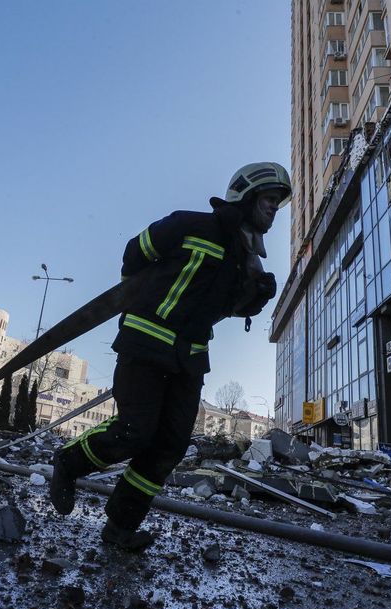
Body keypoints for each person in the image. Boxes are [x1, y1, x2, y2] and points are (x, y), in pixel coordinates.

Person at [48, 162, 288, 550]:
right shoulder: (190, 225)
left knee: (170, 446)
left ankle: (120, 527)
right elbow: (136, 252)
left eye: (278, 204)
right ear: (245, 196)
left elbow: (227, 307)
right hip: (145, 343)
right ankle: (69, 463)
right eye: (269, 200)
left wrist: (257, 295)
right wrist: (139, 297)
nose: (274, 209)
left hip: (189, 360)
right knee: (134, 432)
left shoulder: (245, 258)